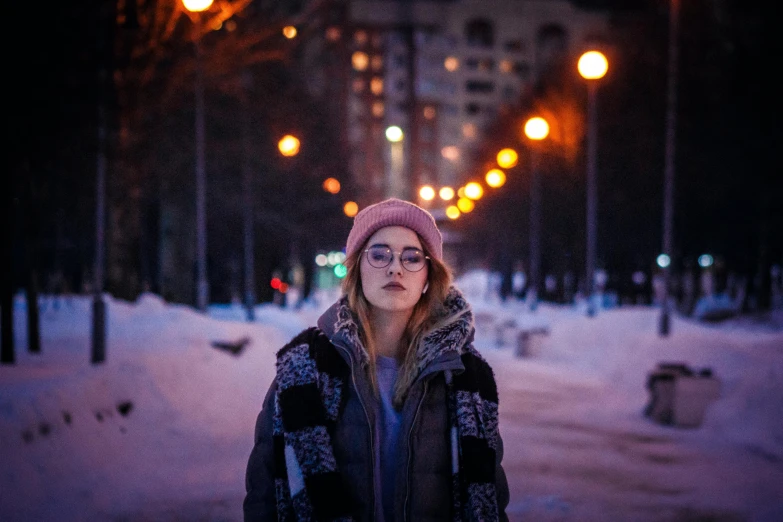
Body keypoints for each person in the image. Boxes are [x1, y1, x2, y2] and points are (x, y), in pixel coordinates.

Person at [244, 198, 509, 522]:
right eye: (379, 254)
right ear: (357, 268)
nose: (395, 267)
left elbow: (491, 502)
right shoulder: (304, 370)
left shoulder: (466, 376)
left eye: (411, 257)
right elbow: (264, 497)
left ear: (429, 274)